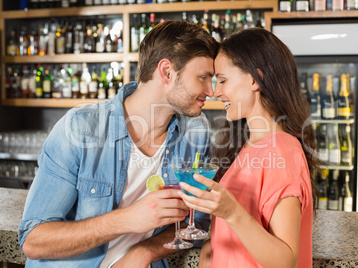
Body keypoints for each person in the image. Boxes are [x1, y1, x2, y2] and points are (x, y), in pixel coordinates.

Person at [18, 21, 219, 268]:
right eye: (203, 78)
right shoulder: (80, 128)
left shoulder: (196, 131)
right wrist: (126, 220)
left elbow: (196, 223)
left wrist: (143, 252)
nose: (211, 90)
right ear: (167, 72)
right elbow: (33, 240)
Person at [177, 28, 319, 267]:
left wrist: (231, 211)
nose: (216, 92)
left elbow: (286, 261)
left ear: (255, 79)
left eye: (223, 80)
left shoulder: (282, 151)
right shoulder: (250, 145)